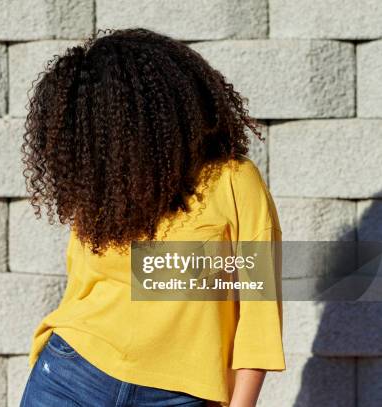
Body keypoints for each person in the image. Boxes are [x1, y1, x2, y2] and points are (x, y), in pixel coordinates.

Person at [19, 28, 285, 407]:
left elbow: (259, 316)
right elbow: (81, 288)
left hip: (179, 397)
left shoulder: (233, 181)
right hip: (71, 375)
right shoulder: (108, 190)